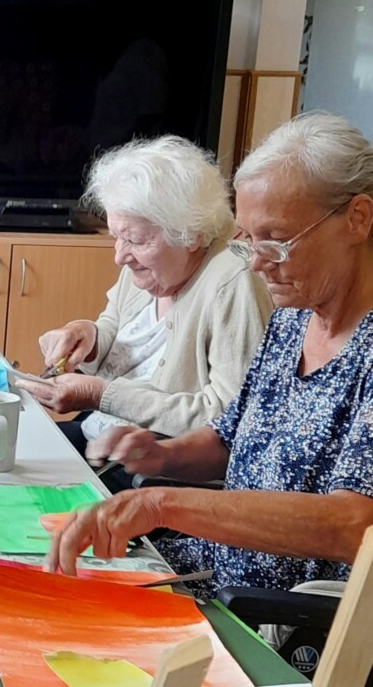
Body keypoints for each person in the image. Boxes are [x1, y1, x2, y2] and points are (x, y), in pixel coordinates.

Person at [45, 112, 373, 593]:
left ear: (358, 218)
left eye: (276, 242)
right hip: (210, 566)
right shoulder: (295, 318)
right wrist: (160, 455)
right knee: (34, 569)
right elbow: (227, 441)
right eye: (249, 239)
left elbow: (355, 524)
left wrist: (161, 503)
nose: (256, 263)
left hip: (272, 608)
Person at [20, 136, 271, 456]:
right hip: (97, 432)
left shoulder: (233, 281)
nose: (119, 256)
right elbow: (115, 327)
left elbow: (229, 416)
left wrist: (102, 395)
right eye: (116, 237)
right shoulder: (149, 267)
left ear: (191, 235)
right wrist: (87, 336)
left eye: (136, 240)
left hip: (149, 462)